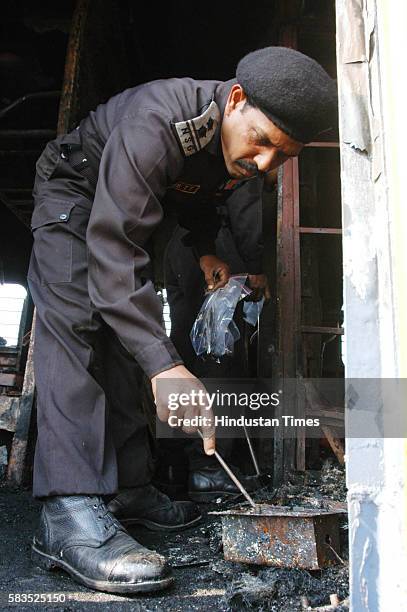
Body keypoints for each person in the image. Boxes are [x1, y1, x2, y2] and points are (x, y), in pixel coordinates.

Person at [27, 46, 336, 593]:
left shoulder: (235, 149)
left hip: (125, 213)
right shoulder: (159, 121)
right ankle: (67, 512)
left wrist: (203, 250)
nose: (265, 163)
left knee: (129, 343)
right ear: (235, 100)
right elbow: (114, 244)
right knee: (77, 327)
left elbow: (193, 198)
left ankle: (126, 487)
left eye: (282, 156)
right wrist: (167, 367)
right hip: (75, 194)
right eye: (263, 142)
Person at [161, 177, 268, 500]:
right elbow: (247, 205)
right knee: (219, 355)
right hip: (220, 246)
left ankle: (173, 468)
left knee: (182, 349)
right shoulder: (255, 156)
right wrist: (255, 265)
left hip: (181, 245)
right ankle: (208, 468)